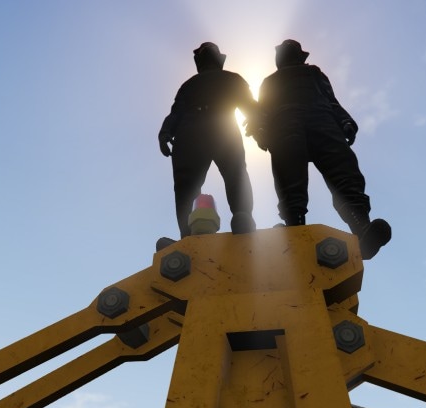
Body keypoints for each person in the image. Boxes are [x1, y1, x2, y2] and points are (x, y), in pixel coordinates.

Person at [249, 39, 391, 259]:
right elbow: (262, 109)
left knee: (343, 170)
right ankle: (295, 229)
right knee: (290, 177)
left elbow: (331, 100)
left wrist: (345, 121)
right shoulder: (270, 81)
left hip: (319, 118)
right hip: (286, 122)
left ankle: (361, 228)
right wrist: (260, 128)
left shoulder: (314, 74)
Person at [159, 42, 257, 237]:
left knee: (188, 185)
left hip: (192, 132)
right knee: (235, 174)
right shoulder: (231, 78)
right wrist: (260, 127)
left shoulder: (189, 85)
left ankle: (190, 233)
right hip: (220, 128)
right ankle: (242, 217)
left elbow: (175, 113)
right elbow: (251, 107)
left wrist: (165, 132)